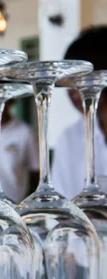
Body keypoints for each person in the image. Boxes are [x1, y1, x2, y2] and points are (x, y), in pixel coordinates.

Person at [53, 26, 107, 199]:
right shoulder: (69, 139)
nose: (70, 90)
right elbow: (62, 210)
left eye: (79, 80)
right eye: (68, 82)